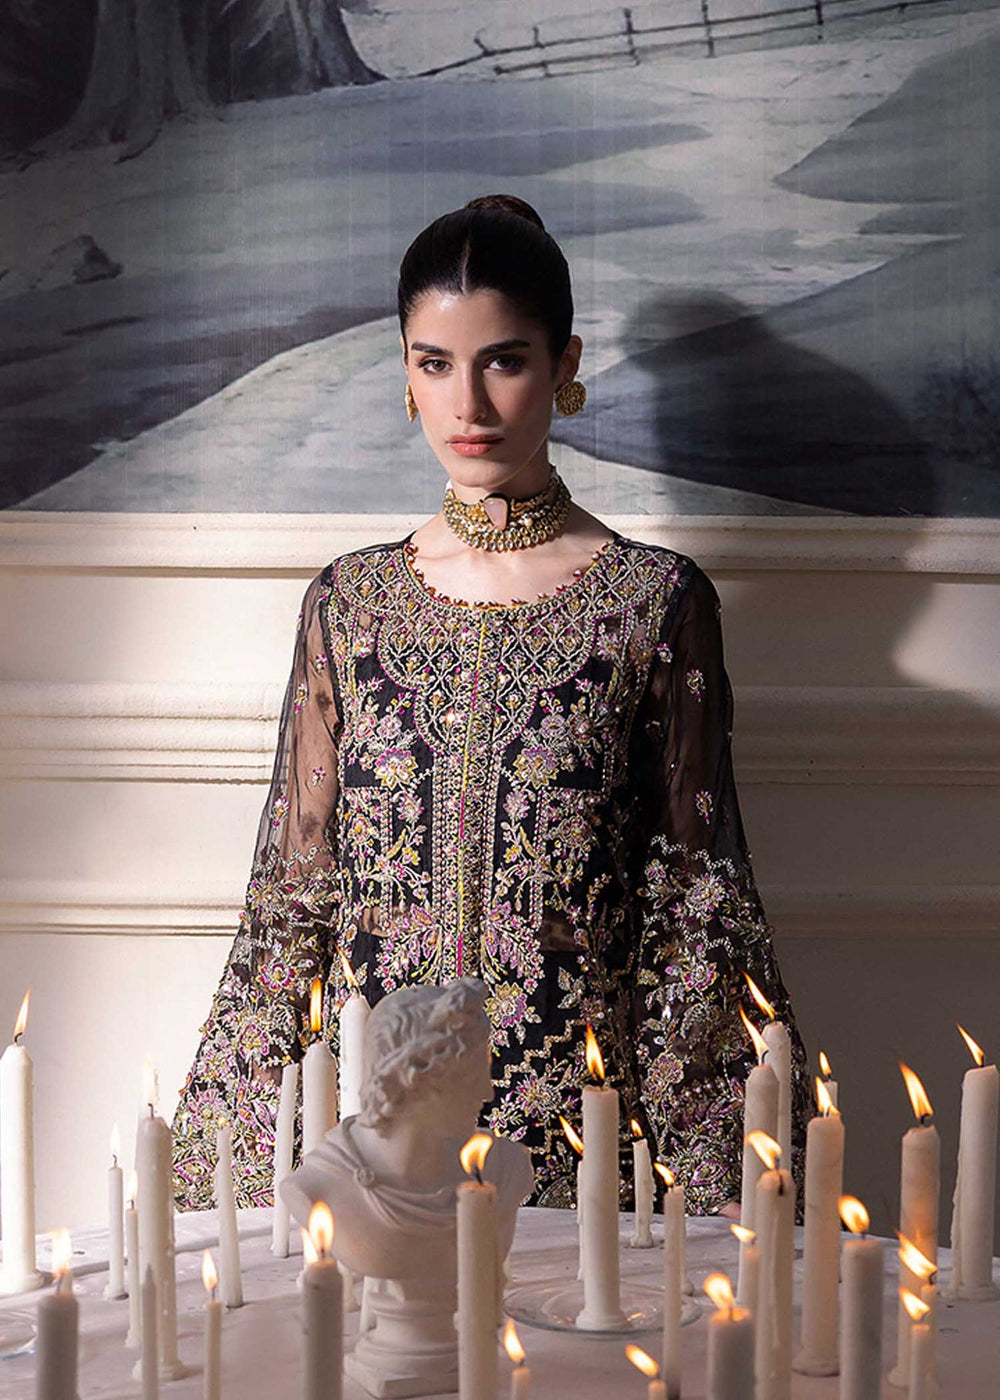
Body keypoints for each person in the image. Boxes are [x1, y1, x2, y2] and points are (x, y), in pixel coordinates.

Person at [172, 193, 809, 1216]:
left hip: (579, 1160)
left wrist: (720, 1194)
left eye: (503, 361)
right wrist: (223, 1182)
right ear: (404, 374)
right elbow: (293, 904)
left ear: (564, 366)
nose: (466, 403)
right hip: (378, 1148)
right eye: (434, 364)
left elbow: (692, 915)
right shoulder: (350, 603)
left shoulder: (652, 602)